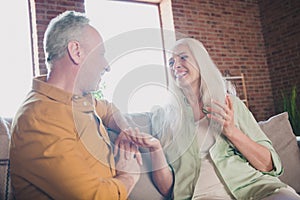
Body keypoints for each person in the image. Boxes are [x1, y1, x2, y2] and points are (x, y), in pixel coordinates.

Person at [121, 38, 300, 199]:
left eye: (183, 58)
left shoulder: (230, 103)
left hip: (255, 187)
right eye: (171, 62)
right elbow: (168, 189)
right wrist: (156, 150)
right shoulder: (163, 118)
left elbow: (269, 165)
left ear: (201, 63)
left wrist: (232, 131)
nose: (176, 65)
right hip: (204, 195)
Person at [9, 11, 142, 200]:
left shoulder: (77, 100)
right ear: (76, 52)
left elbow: (109, 109)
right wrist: (129, 175)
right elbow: (94, 197)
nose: (107, 65)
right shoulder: (39, 119)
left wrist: (125, 129)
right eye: (101, 54)